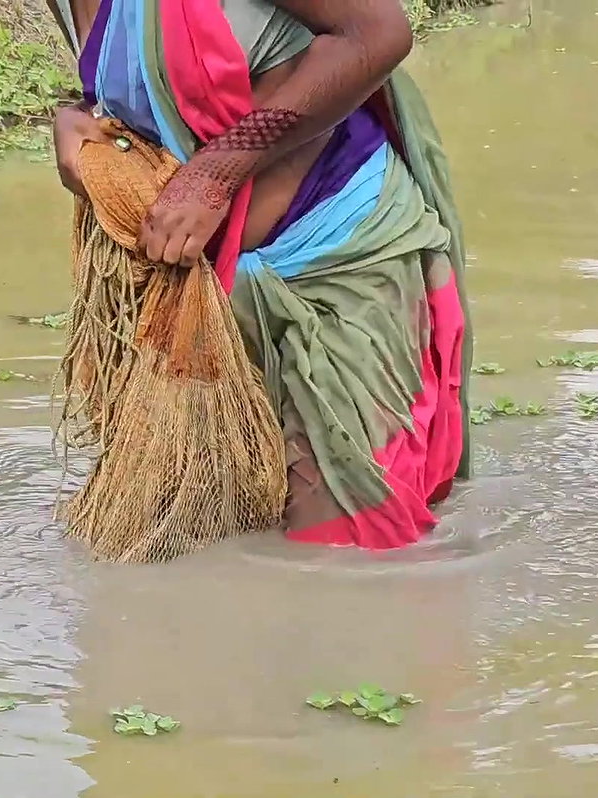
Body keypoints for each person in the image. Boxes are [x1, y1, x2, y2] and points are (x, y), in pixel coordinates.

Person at [46, 0, 471, 549]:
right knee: (210, 532)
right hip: (202, 292)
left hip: (337, 255)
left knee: (348, 549)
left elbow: (376, 35)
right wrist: (72, 117)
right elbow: (134, 84)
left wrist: (219, 169)